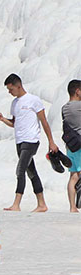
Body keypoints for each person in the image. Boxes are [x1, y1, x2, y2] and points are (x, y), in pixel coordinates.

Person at [0, 74, 58, 212]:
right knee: (31, 172)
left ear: (19, 86)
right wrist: (2, 119)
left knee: (20, 170)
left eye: (11, 89)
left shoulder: (33, 100)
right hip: (20, 141)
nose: (10, 92)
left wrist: (51, 141)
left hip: (31, 140)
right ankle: (42, 204)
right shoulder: (14, 103)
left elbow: (44, 122)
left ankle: (16, 204)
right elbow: (14, 123)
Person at [62, 80, 81, 213]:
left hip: (70, 147)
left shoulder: (64, 108)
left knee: (73, 176)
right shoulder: (79, 106)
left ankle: (72, 207)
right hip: (80, 145)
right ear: (77, 91)